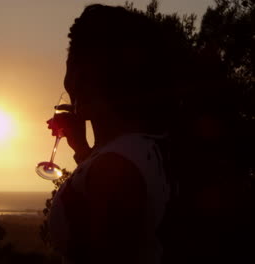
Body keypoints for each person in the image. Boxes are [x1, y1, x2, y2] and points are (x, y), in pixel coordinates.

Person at [47, 4, 190, 264]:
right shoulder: (147, 147)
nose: (68, 81)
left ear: (81, 75)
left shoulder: (116, 167)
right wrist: (82, 149)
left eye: (71, 63)